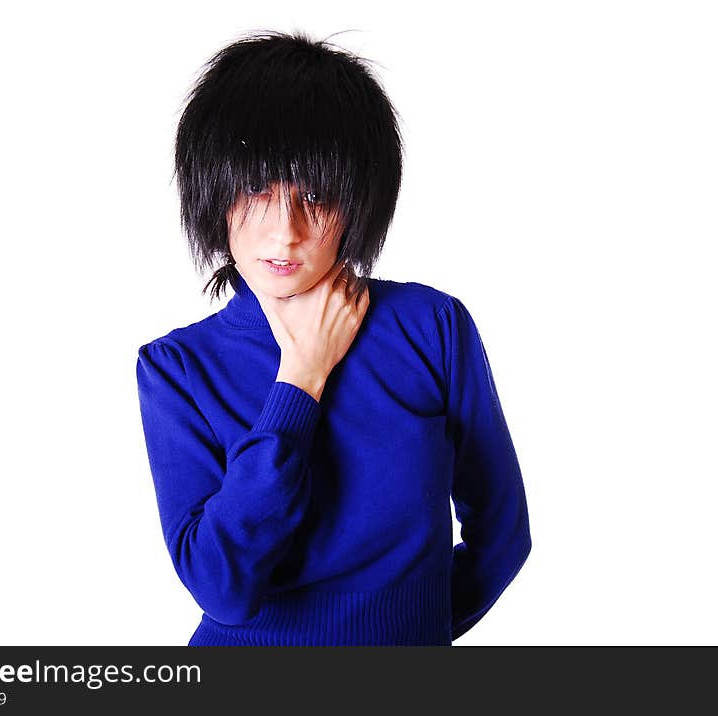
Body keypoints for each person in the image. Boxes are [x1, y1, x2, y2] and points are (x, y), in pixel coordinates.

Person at [135, 29, 531, 646]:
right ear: (213, 194)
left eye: (315, 195)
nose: (285, 232)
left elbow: (503, 531)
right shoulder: (178, 368)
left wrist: (408, 633)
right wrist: (300, 379)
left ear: (358, 202)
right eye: (256, 190)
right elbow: (221, 586)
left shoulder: (431, 328)